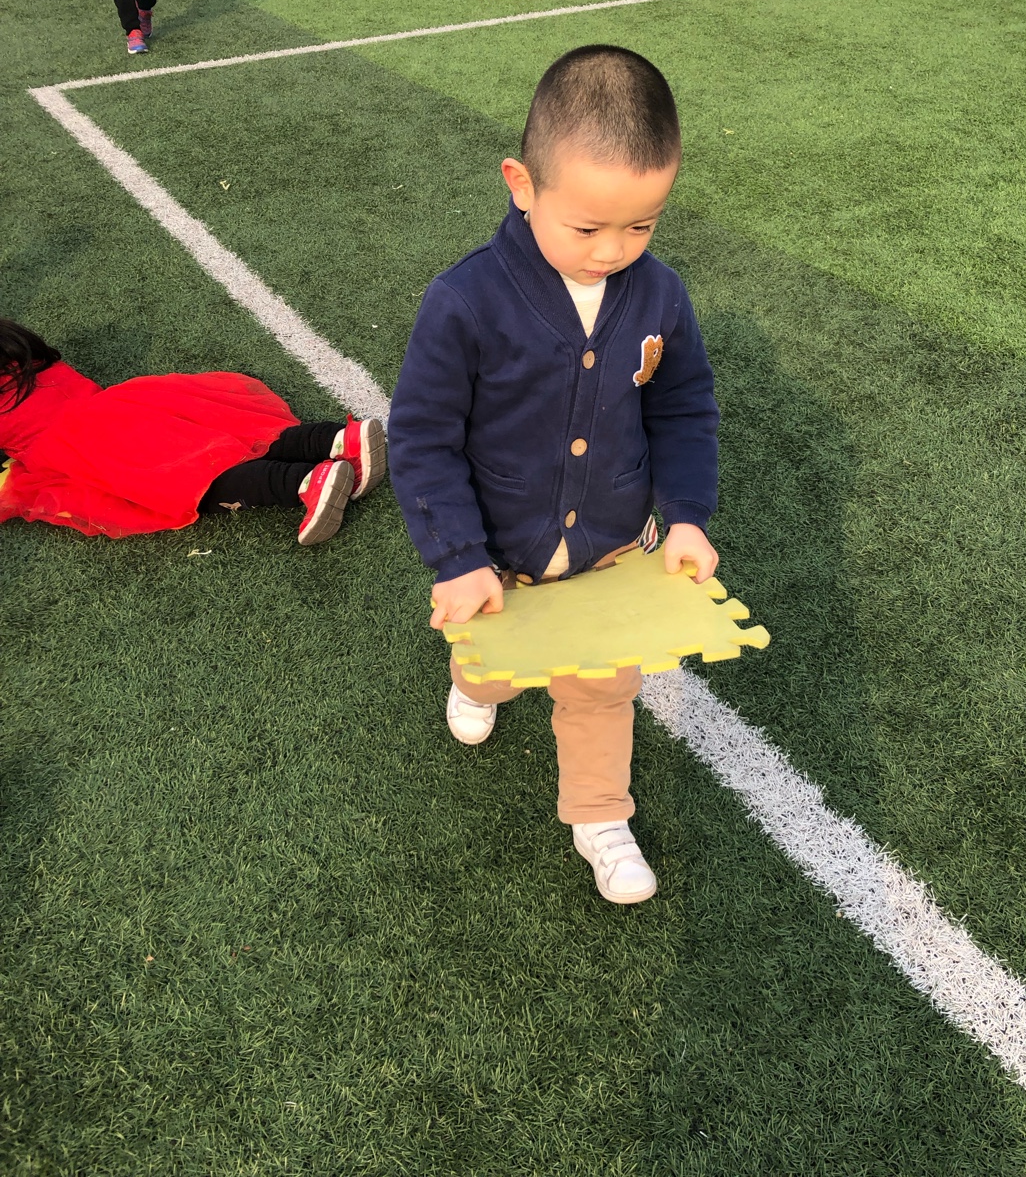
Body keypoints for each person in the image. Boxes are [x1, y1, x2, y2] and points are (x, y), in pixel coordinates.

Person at [388, 47, 720, 904]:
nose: (614, 250)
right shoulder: (465, 302)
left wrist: (686, 514)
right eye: (588, 228)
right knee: (496, 663)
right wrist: (457, 557)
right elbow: (423, 437)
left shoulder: (661, 296)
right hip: (501, 556)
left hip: (612, 549)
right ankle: (475, 680)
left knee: (602, 691)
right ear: (522, 184)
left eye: (642, 226)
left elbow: (684, 408)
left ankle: (601, 816)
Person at [0, 320, 385, 545]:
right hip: (122, 405)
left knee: (186, 484)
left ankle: (304, 481)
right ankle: (337, 438)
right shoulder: (23, 354)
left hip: (77, 448)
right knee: (233, 433)